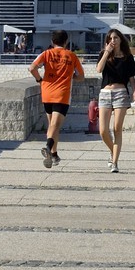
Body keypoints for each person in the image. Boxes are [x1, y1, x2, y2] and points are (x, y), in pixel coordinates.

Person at [30, 30, 85, 169]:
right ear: (66, 42)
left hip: (47, 93)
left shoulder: (46, 54)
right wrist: (71, 76)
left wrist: (39, 79)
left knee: (52, 125)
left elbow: (32, 68)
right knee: (55, 125)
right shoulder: (71, 56)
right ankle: (48, 147)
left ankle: (54, 155)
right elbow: (81, 76)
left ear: (52, 41)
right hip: (62, 94)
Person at [94, 28, 135, 173]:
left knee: (117, 128)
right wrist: (107, 52)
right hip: (105, 93)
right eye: (111, 38)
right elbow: (99, 69)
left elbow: (132, 79)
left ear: (120, 39)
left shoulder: (127, 57)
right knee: (103, 131)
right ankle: (113, 151)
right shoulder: (104, 54)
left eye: (116, 38)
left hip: (121, 93)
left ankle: (114, 162)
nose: (113, 40)